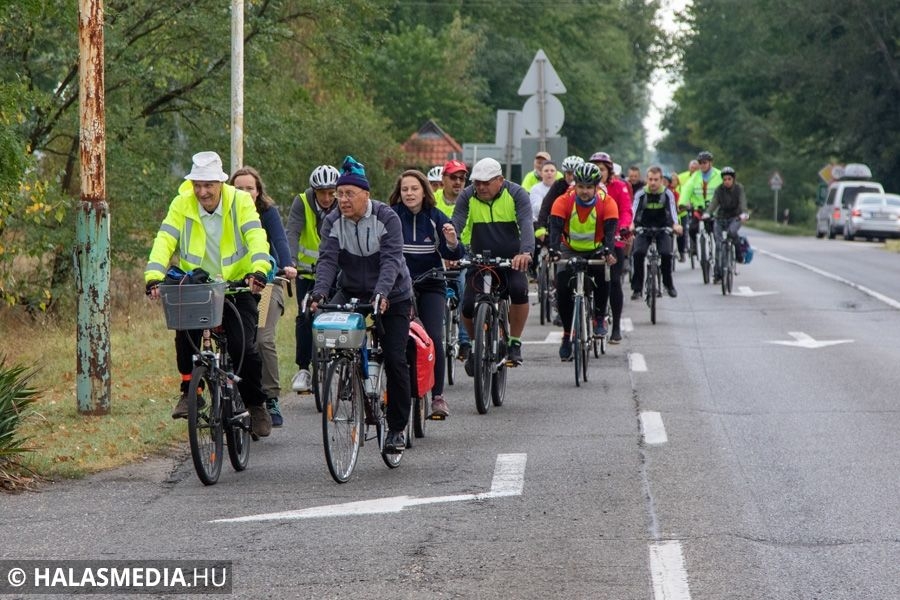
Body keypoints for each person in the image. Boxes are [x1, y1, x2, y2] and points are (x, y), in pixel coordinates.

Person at [145, 151, 273, 438]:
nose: (202, 191)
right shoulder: (182, 203)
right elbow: (165, 239)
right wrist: (153, 276)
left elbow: (256, 237)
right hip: (198, 285)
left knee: (244, 347)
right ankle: (190, 391)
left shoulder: (240, 201)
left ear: (220, 182)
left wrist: (259, 270)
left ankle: (255, 404)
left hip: (238, 284)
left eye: (208, 185)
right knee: (184, 333)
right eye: (197, 185)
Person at [308, 156, 412, 452]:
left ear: (366, 195)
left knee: (394, 357)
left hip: (393, 293)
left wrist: (382, 293)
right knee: (324, 324)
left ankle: (396, 429)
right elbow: (327, 261)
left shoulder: (386, 217)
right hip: (352, 289)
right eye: (339, 194)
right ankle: (347, 372)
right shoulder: (332, 221)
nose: (341, 200)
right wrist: (319, 294)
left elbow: (392, 261)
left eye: (348, 194)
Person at [388, 169, 464, 418]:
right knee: (393, 339)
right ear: (399, 194)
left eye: (414, 189)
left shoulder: (435, 216)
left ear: (424, 191)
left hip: (430, 284)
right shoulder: (392, 216)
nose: (409, 193)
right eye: (405, 189)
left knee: (433, 336)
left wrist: (452, 242)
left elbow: (453, 254)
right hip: (399, 287)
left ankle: (438, 397)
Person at [230, 167, 298, 428]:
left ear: (258, 191)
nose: (245, 192)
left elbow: (280, 241)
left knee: (262, 337)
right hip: (236, 285)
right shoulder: (224, 213)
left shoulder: (267, 213)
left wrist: (287, 263)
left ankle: (269, 397)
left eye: (250, 188)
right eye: (239, 188)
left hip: (268, 282)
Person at [451, 157, 534, 368]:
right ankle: (474, 344)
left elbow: (526, 223)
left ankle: (514, 342)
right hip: (479, 259)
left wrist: (525, 252)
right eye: (477, 182)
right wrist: (450, 249)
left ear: (500, 180)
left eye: (486, 182)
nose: (480, 187)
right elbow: (456, 224)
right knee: (468, 305)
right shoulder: (468, 195)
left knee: (518, 290)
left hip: (511, 259)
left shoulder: (516, 193)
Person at [546, 163, 618, 360]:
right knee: (562, 286)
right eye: (581, 187)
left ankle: (600, 319)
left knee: (603, 277)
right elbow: (555, 230)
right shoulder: (563, 201)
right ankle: (567, 335)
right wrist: (553, 251)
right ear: (575, 186)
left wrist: (608, 252)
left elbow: (610, 234)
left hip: (596, 248)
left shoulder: (607, 202)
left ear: (596, 187)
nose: (584, 191)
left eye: (589, 187)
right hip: (569, 249)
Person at [286, 164, 339, 395]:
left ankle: (345, 365)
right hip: (306, 273)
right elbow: (293, 233)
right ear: (313, 191)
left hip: (337, 272)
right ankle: (303, 369)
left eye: (331, 192)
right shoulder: (302, 202)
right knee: (304, 317)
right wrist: (290, 262)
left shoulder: (343, 203)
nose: (327, 198)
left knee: (341, 314)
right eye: (322, 192)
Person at [588, 152, 633, 343]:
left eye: (602, 169)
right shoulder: (584, 187)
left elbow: (625, 210)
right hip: (590, 241)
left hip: (613, 240)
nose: (599, 171)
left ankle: (615, 327)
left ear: (609, 171)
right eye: (595, 167)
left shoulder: (619, 187)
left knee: (614, 281)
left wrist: (623, 228)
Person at [433, 159, 471, 360]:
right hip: (437, 257)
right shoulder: (432, 199)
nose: (458, 182)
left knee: (466, 288)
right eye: (453, 177)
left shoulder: (470, 201)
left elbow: (472, 233)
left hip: (462, 257)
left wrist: (459, 255)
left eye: (462, 178)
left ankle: (465, 341)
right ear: (443, 180)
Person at [630, 165, 683, 300]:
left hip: (662, 228)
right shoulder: (641, 194)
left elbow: (673, 212)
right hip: (644, 228)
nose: (653, 182)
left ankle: (668, 284)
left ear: (661, 180)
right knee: (638, 253)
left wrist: (676, 225)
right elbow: (633, 212)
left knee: (666, 254)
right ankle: (637, 289)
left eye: (656, 179)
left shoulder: (667, 194)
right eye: (650, 179)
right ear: (647, 179)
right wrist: (631, 225)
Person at [705, 166, 748, 283]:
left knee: (732, 232)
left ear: (733, 179)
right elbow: (714, 203)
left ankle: (739, 255)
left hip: (735, 217)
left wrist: (744, 213)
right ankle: (718, 273)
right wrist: (707, 213)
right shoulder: (719, 190)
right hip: (721, 217)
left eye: (729, 179)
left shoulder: (739, 188)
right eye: (724, 179)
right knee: (718, 244)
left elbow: (743, 202)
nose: (727, 181)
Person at [680, 151, 722, 256]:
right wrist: (682, 203)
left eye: (705, 163)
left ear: (710, 163)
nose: (702, 165)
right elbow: (686, 189)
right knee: (692, 228)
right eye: (701, 163)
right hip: (699, 209)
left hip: (715, 210)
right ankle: (694, 246)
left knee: (716, 230)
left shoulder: (719, 175)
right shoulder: (695, 176)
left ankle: (719, 251)